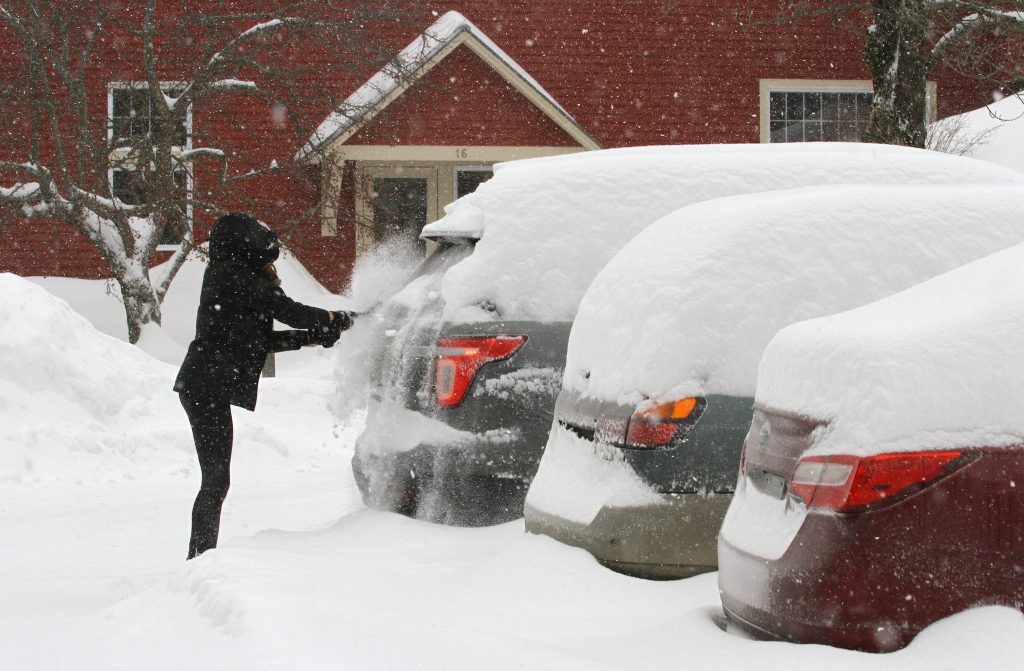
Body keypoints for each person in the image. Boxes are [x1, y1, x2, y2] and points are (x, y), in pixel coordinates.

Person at [174, 212, 351, 559]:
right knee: (216, 480)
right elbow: (290, 311)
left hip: (204, 385)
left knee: (216, 480)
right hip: (204, 387)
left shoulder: (235, 278)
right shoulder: (232, 276)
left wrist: (314, 337)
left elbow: (259, 341)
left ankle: (198, 557)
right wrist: (333, 319)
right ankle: (199, 559)